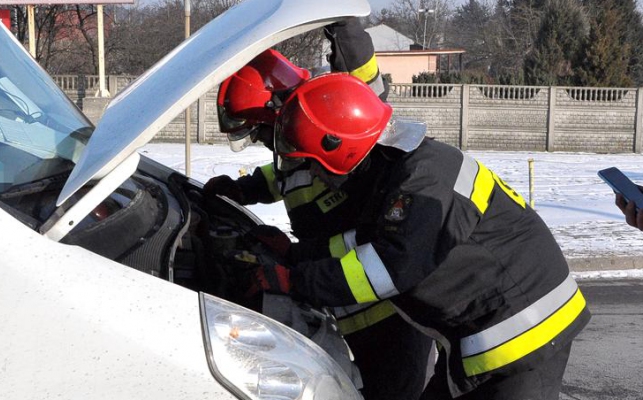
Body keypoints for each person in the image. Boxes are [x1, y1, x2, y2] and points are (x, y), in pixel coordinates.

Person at [250, 71, 590, 399]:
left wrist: (295, 281)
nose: (313, 176)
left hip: (523, 332)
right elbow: (364, 242)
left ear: (340, 147)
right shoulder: (393, 170)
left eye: (313, 164)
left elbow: (386, 268)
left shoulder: (420, 179)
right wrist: (296, 256)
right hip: (483, 331)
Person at [205, 19, 433, 400]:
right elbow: (285, 178)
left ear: (277, 112)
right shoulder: (296, 152)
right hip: (344, 299)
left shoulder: (337, 122)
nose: (264, 143)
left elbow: (368, 85)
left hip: (391, 310)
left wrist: (344, 28)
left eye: (260, 131)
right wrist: (240, 190)